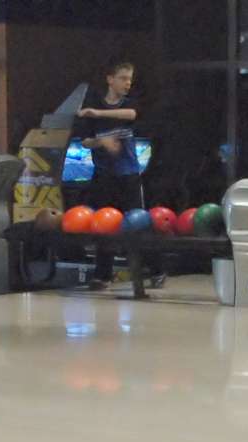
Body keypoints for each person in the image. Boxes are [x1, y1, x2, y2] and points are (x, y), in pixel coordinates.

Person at [77, 59, 165, 290]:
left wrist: (97, 113)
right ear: (110, 79)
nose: (127, 83)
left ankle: (156, 270)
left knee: (137, 223)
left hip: (129, 175)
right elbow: (85, 141)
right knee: (104, 224)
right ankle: (102, 275)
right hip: (104, 176)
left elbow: (131, 114)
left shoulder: (127, 103)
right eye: (123, 78)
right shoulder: (92, 107)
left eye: (130, 80)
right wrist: (102, 142)